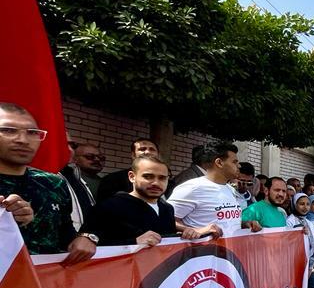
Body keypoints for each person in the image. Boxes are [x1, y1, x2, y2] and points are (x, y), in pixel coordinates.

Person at [0, 103, 95, 261]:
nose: (23, 140)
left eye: (32, 132)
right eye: (8, 130)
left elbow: (65, 232)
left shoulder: (54, 183)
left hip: (47, 275)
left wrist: (84, 239)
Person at [80, 155, 195, 246]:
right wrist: (134, 242)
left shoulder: (167, 209)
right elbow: (86, 247)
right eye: (148, 176)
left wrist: (183, 236)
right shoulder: (109, 207)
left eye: (162, 178)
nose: (156, 183)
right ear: (132, 177)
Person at [167, 142, 243, 239]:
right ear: (219, 163)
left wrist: (245, 224)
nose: (239, 166)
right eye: (234, 162)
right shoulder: (192, 188)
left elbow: (226, 221)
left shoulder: (230, 189)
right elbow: (165, 219)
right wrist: (195, 230)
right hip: (202, 248)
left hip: (231, 247)